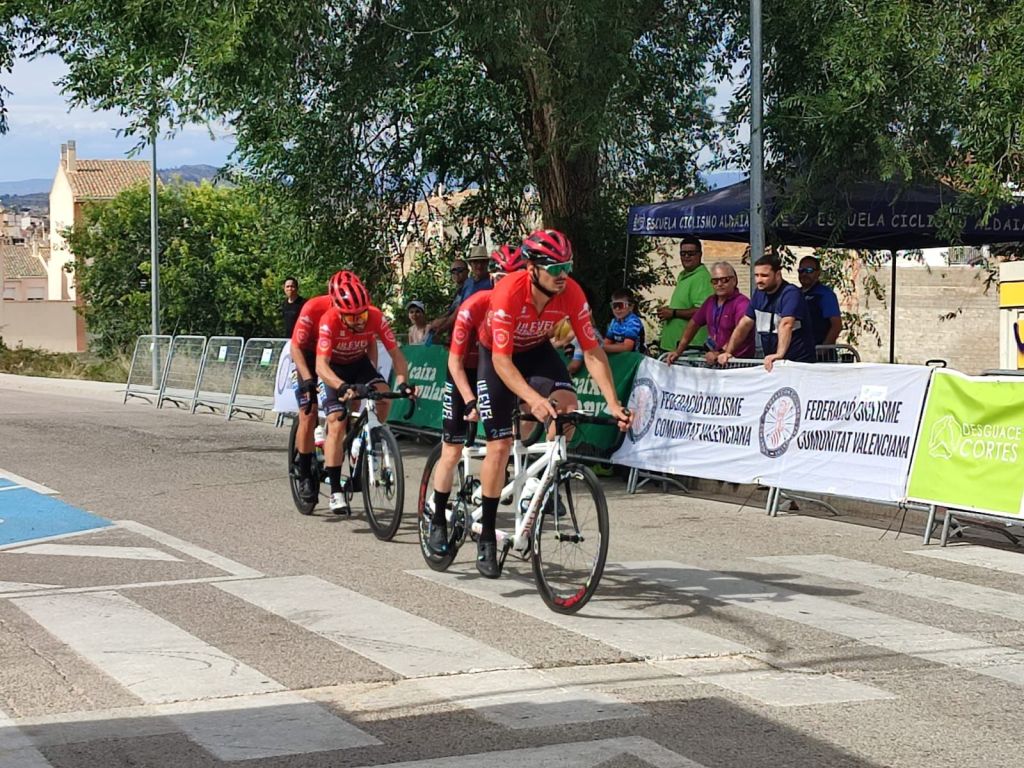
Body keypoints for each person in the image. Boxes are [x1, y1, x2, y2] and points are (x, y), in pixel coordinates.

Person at [473, 229, 632, 578]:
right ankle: (486, 535)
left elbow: (592, 350)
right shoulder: (509, 292)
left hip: (536, 351)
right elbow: (501, 361)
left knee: (567, 409)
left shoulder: (571, 292)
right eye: (556, 268)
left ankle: (535, 484)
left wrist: (613, 402)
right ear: (532, 268)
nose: (563, 275)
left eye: (568, 266)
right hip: (497, 356)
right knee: (499, 444)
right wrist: (533, 399)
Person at [425, 245, 525, 555]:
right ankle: (438, 519)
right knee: (452, 449)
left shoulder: (524, 307)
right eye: (503, 279)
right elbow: (454, 364)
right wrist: (470, 400)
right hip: (462, 371)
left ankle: (495, 492)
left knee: (503, 441)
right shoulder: (474, 304)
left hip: (493, 369)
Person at [316, 271, 413, 514]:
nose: (360, 321)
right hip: (334, 369)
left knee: (383, 394)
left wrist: (403, 382)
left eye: (363, 314)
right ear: (340, 312)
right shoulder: (329, 320)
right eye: (353, 317)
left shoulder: (376, 316)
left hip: (358, 364)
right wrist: (341, 386)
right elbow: (321, 366)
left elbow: (396, 355)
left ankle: (371, 437)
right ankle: (336, 490)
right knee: (337, 422)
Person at [717, 255, 816, 371]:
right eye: (756, 275)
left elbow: (786, 324)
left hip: (798, 364)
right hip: (773, 363)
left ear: (778, 274)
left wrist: (779, 354)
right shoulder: (759, 294)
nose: (759, 280)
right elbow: (745, 324)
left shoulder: (791, 293)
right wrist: (728, 352)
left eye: (764, 276)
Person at [288, 285, 336, 502]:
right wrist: (307, 379)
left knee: (344, 409)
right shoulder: (313, 307)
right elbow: (295, 347)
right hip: (307, 353)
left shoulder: (355, 311)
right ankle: (305, 474)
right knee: (309, 412)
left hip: (332, 355)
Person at [666, 262, 753, 365]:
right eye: (715, 281)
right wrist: (678, 351)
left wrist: (721, 353)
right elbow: (693, 324)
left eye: (724, 280)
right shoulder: (710, 302)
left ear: (734, 281)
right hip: (715, 360)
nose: (719, 284)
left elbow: (741, 332)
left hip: (737, 362)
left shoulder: (742, 303)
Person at [657, 236, 713, 353]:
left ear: (700, 255)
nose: (686, 256)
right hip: (674, 348)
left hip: (690, 350)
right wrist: (669, 310)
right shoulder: (684, 275)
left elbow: (703, 312)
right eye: (683, 254)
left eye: (691, 253)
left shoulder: (702, 278)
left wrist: (673, 313)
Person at [798, 256, 842, 346]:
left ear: (818, 273)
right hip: (799, 350)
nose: (804, 274)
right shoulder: (795, 294)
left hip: (819, 350)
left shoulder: (825, 295)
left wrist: (823, 349)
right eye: (801, 270)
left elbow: (836, 326)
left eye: (809, 270)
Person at [427, 258, 469, 337]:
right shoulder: (459, 290)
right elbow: (450, 311)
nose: (456, 273)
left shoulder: (469, 288)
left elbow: (459, 312)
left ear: (467, 272)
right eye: (453, 271)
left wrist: (442, 326)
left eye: (460, 270)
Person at [603, 289, 646, 354]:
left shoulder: (633, 322)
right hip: (622, 356)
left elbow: (627, 347)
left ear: (631, 307)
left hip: (635, 357)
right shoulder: (614, 322)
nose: (617, 309)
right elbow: (606, 342)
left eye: (621, 305)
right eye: (614, 305)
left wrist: (601, 348)